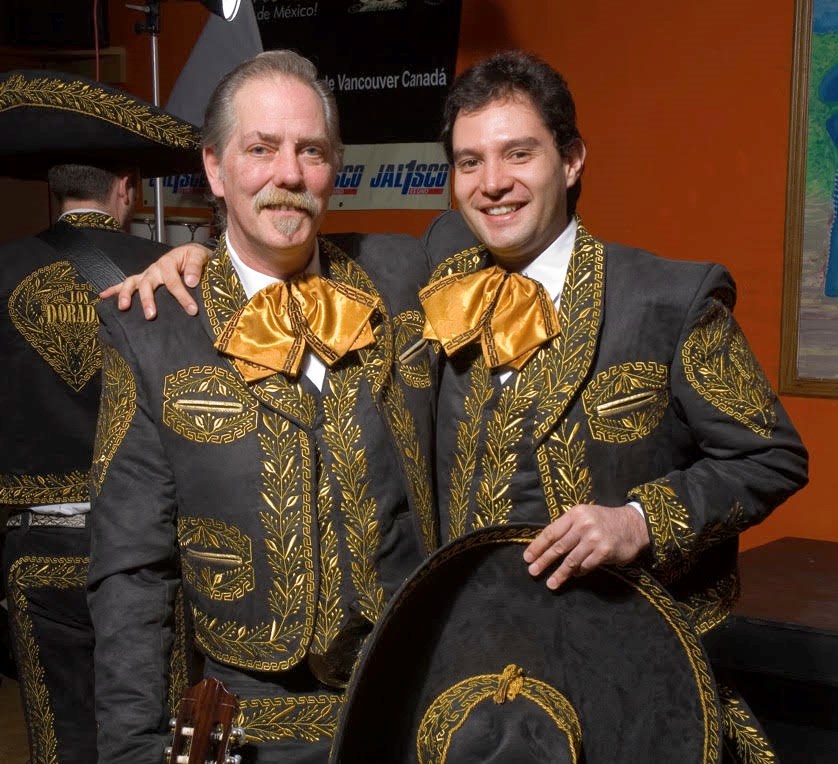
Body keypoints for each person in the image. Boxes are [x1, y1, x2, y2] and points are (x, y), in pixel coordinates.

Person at [109, 50, 807, 758]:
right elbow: (132, 573)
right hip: (416, 703)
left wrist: (639, 521)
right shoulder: (429, 269)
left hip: (613, 683)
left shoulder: (656, 298)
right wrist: (197, 253)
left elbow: (771, 452)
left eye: (519, 154)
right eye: (469, 162)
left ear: (570, 161)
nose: (493, 183)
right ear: (216, 169)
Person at [86, 50, 434, 764]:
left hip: (409, 715)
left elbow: (512, 225)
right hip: (251, 737)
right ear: (215, 168)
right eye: (261, 149)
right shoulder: (153, 330)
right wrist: (130, 751)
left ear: (334, 168)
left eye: (310, 151)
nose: (288, 175)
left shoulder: (401, 276)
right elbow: (132, 573)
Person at [0, 69, 201, 764]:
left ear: (54, 192)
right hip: (146, 552)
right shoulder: (175, 273)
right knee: (150, 735)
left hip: (35, 550)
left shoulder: (2, 272)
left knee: (58, 740)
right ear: (126, 189)